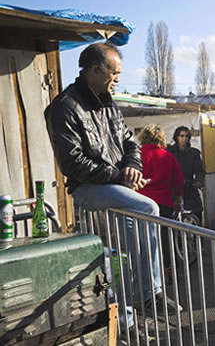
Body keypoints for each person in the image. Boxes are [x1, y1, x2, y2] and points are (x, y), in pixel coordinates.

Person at [44, 42, 182, 328]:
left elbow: (131, 143)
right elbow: (72, 164)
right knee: (147, 206)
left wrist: (132, 167)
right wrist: (119, 176)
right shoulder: (64, 107)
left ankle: (128, 322)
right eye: (114, 73)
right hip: (87, 189)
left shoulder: (109, 104)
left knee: (122, 259)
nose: (118, 79)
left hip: (115, 189)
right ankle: (150, 292)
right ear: (95, 70)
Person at [137, 124, 184, 272]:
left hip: (140, 202)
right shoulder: (168, 156)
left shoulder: (137, 155)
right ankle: (169, 270)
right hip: (164, 202)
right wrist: (178, 200)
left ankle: (146, 270)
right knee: (165, 238)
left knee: (142, 238)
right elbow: (178, 180)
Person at [167, 126, 206, 225]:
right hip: (173, 187)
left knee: (197, 210)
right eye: (182, 136)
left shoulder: (194, 153)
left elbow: (199, 170)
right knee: (171, 213)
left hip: (189, 185)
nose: (184, 139)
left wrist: (199, 181)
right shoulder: (170, 152)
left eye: (187, 136)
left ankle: (198, 236)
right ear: (176, 137)